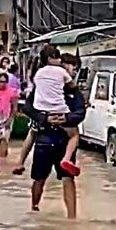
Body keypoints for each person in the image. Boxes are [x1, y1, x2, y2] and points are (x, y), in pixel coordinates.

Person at [23, 53, 87, 217]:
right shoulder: (42, 87)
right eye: (69, 66)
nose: (71, 70)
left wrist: (66, 119)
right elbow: (28, 108)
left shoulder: (74, 92)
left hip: (64, 139)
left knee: (68, 178)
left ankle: (72, 216)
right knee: (39, 178)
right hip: (44, 138)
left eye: (73, 67)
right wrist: (45, 119)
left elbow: (81, 112)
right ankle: (34, 207)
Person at [31, 47, 81, 176]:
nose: (60, 60)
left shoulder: (39, 73)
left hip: (42, 110)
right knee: (74, 135)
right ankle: (66, 158)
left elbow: (29, 104)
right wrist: (76, 89)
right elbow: (72, 86)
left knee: (31, 133)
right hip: (60, 110)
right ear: (50, 59)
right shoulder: (61, 72)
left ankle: (20, 161)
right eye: (57, 58)